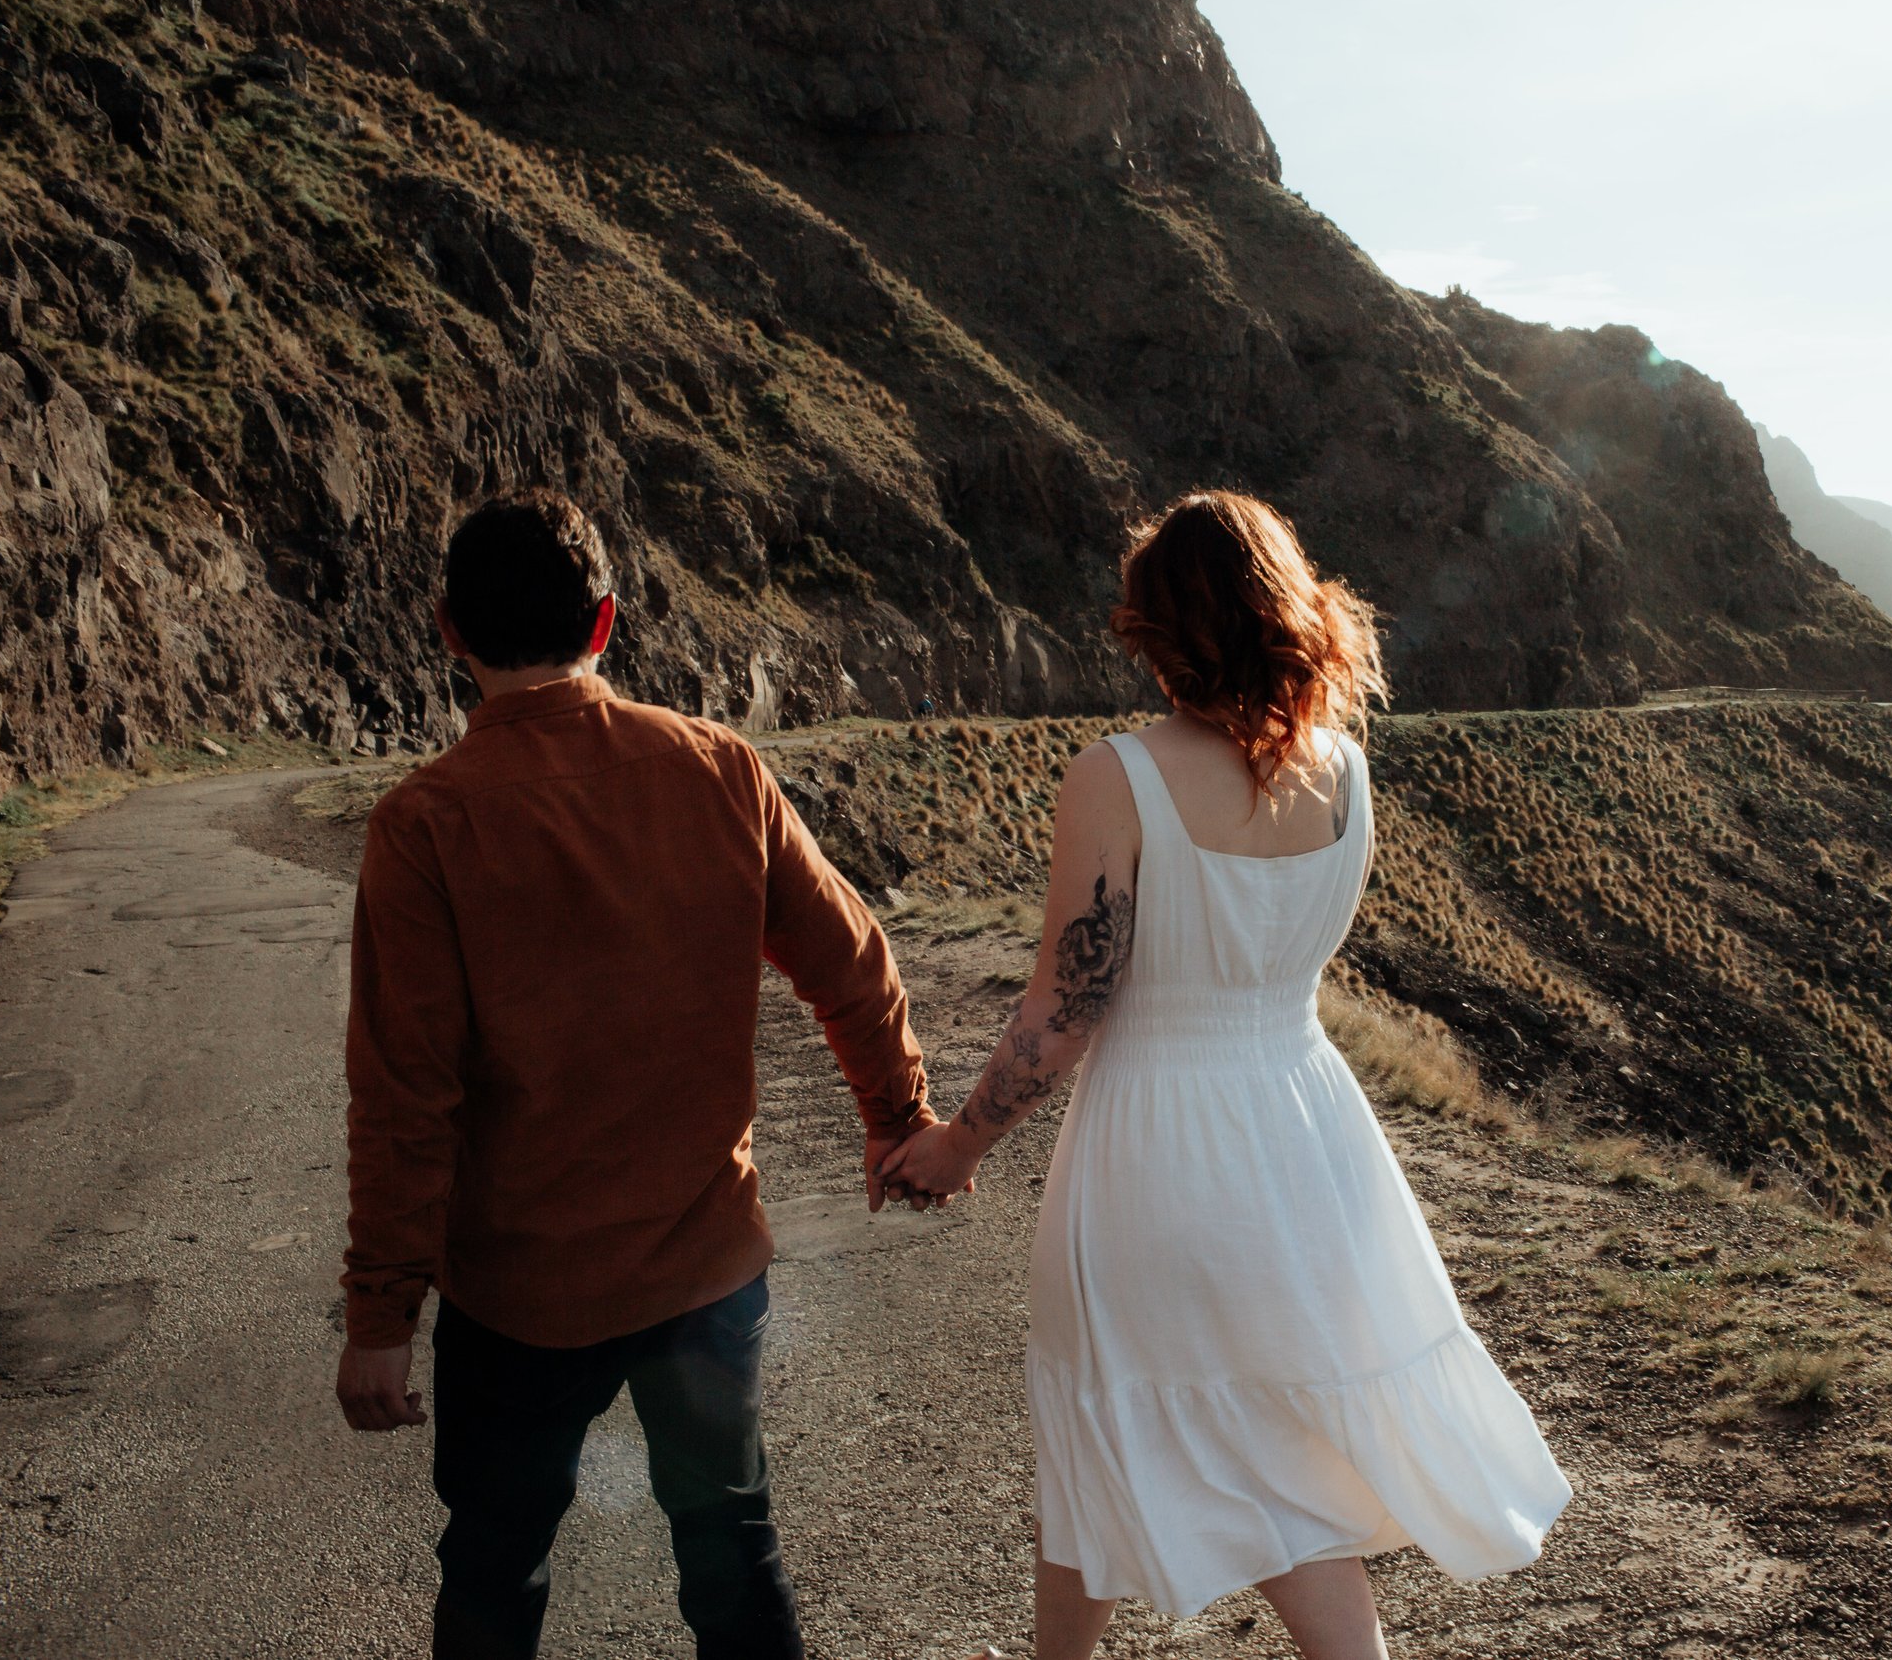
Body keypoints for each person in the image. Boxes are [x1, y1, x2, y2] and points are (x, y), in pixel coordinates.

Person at [885, 492, 1571, 1660]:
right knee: (1257, 1433)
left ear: (1160, 628)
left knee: (1136, 1415)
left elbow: (1067, 1009)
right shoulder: (1345, 773)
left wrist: (957, 1143)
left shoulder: (1117, 774)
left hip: (1158, 1143)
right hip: (1306, 1130)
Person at [334, 490, 939, 1660]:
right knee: (733, 1546)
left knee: (496, 1568)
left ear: (450, 632)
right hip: (706, 1269)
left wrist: (380, 1313)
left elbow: (406, 1092)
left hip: (520, 1294)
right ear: (606, 620)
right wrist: (897, 1115)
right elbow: (852, 962)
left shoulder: (423, 827)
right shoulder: (719, 768)